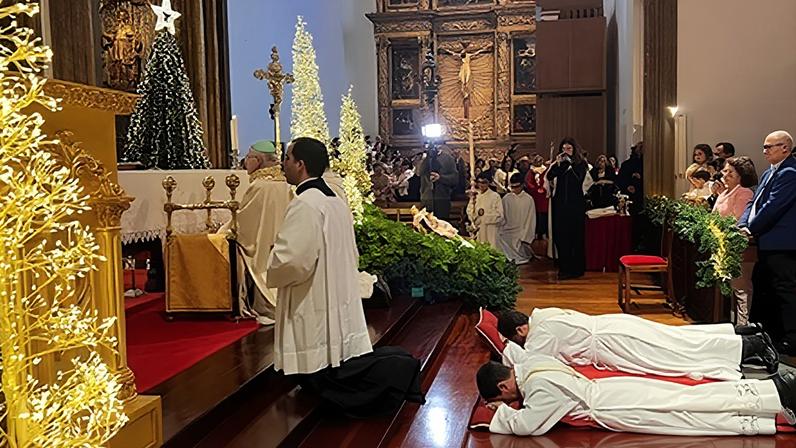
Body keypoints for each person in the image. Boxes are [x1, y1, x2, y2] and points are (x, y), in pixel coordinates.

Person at [476, 355, 796, 437]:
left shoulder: (538, 390)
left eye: (506, 399)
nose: (512, 403)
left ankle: (769, 399)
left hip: (614, 406)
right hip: (610, 389)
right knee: (684, 396)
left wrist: (498, 414)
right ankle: (767, 393)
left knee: (684, 413)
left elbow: (527, 425)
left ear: (504, 388)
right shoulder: (530, 365)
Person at [266, 137, 373, 375]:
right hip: (336, 287)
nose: (283, 164)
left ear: (300, 164)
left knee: (315, 360)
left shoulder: (306, 203)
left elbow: (294, 260)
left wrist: (274, 255)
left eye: (287, 158)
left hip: (313, 292)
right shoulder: (335, 201)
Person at [497, 308, 779, 379]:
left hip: (615, 343)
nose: (520, 342)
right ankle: (743, 333)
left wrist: (505, 348)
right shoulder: (543, 315)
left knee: (677, 354)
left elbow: (529, 362)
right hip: (614, 325)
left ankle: (752, 346)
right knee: (678, 337)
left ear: (522, 329)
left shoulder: (539, 337)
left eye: (517, 338)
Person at [221, 140, 293, 325]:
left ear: (258, 161)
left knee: (226, 245)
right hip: (281, 244)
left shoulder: (259, 186)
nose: (246, 162)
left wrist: (221, 231)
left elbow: (244, 225)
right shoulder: (284, 183)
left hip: (261, 247)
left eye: (249, 157)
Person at [739, 130, 796, 355]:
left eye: (769, 146)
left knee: (785, 289)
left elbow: (773, 207)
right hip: (767, 240)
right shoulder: (768, 173)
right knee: (764, 286)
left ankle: (791, 338)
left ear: (785, 148)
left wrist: (751, 227)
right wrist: (743, 224)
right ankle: (765, 333)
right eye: (764, 147)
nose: (765, 151)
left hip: (783, 242)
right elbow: (753, 203)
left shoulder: (790, 172)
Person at [713, 156, 757, 325]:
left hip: (738, 247)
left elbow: (737, 219)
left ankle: (743, 324)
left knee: (741, 288)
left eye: (730, 172)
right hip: (723, 245)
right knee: (730, 288)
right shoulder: (724, 191)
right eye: (725, 171)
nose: (725, 175)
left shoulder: (744, 192)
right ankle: (731, 322)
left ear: (742, 175)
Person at [546, 138, 588, 280]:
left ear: (574, 149)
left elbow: (579, 178)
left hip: (575, 205)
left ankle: (576, 268)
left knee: (575, 237)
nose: (566, 152)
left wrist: (570, 163)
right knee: (561, 236)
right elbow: (550, 176)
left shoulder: (581, 164)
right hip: (560, 205)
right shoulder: (559, 164)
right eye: (564, 149)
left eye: (569, 149)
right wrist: (558, 164)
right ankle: (564, 268)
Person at [498, 174, 536, 264]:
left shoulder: (528, 199)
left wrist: (526, 236)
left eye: (517, 186)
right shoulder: (506, 198)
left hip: (521, 230)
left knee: (518, 242)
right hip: (508, 228)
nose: (514, 189)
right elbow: (502, 215)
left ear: (522, 185)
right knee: (499, 236)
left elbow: (531, 219)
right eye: (512, 187)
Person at [419, 145, 458, 220]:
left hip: (442, 199)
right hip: (427, 199)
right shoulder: (425, 158)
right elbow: (420, 172)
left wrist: (440, 178)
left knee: (441, 226)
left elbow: (455, 179)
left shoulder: (448, 159)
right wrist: (427, 157)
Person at [467, 173, 504, 249]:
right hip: (478, 230)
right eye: (479, 182)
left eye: (484, 182)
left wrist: (483, 217)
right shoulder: (476, 195)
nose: (481, 185)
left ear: (489, 183)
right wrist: (472, 215)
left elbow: (500, 215)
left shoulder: (495, 196)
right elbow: (469, 212)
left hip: (490, 229)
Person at [525, 154, 548, 240]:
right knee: (535, 215)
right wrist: (535, 189)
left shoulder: (545, 170)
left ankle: (544, 232)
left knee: (544, 215)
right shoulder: (531, 172)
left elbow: (547, 181)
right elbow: (528, 182)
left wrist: (544, 188)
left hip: (544, 196)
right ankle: (536, 232)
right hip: (535, 196)